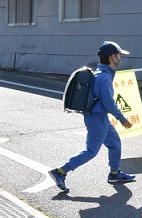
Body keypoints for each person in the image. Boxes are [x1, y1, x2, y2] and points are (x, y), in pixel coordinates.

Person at [48, 41, 136, 193]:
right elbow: (108, 102)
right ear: (112, 57)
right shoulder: (104, 78)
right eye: (119, 55)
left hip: (100, 118)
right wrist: (122, 119)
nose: (120, 59)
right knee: (91, 151)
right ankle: (60, 172)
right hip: (97, 119)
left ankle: (115, 174)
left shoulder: (103, 74)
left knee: (114, 143)